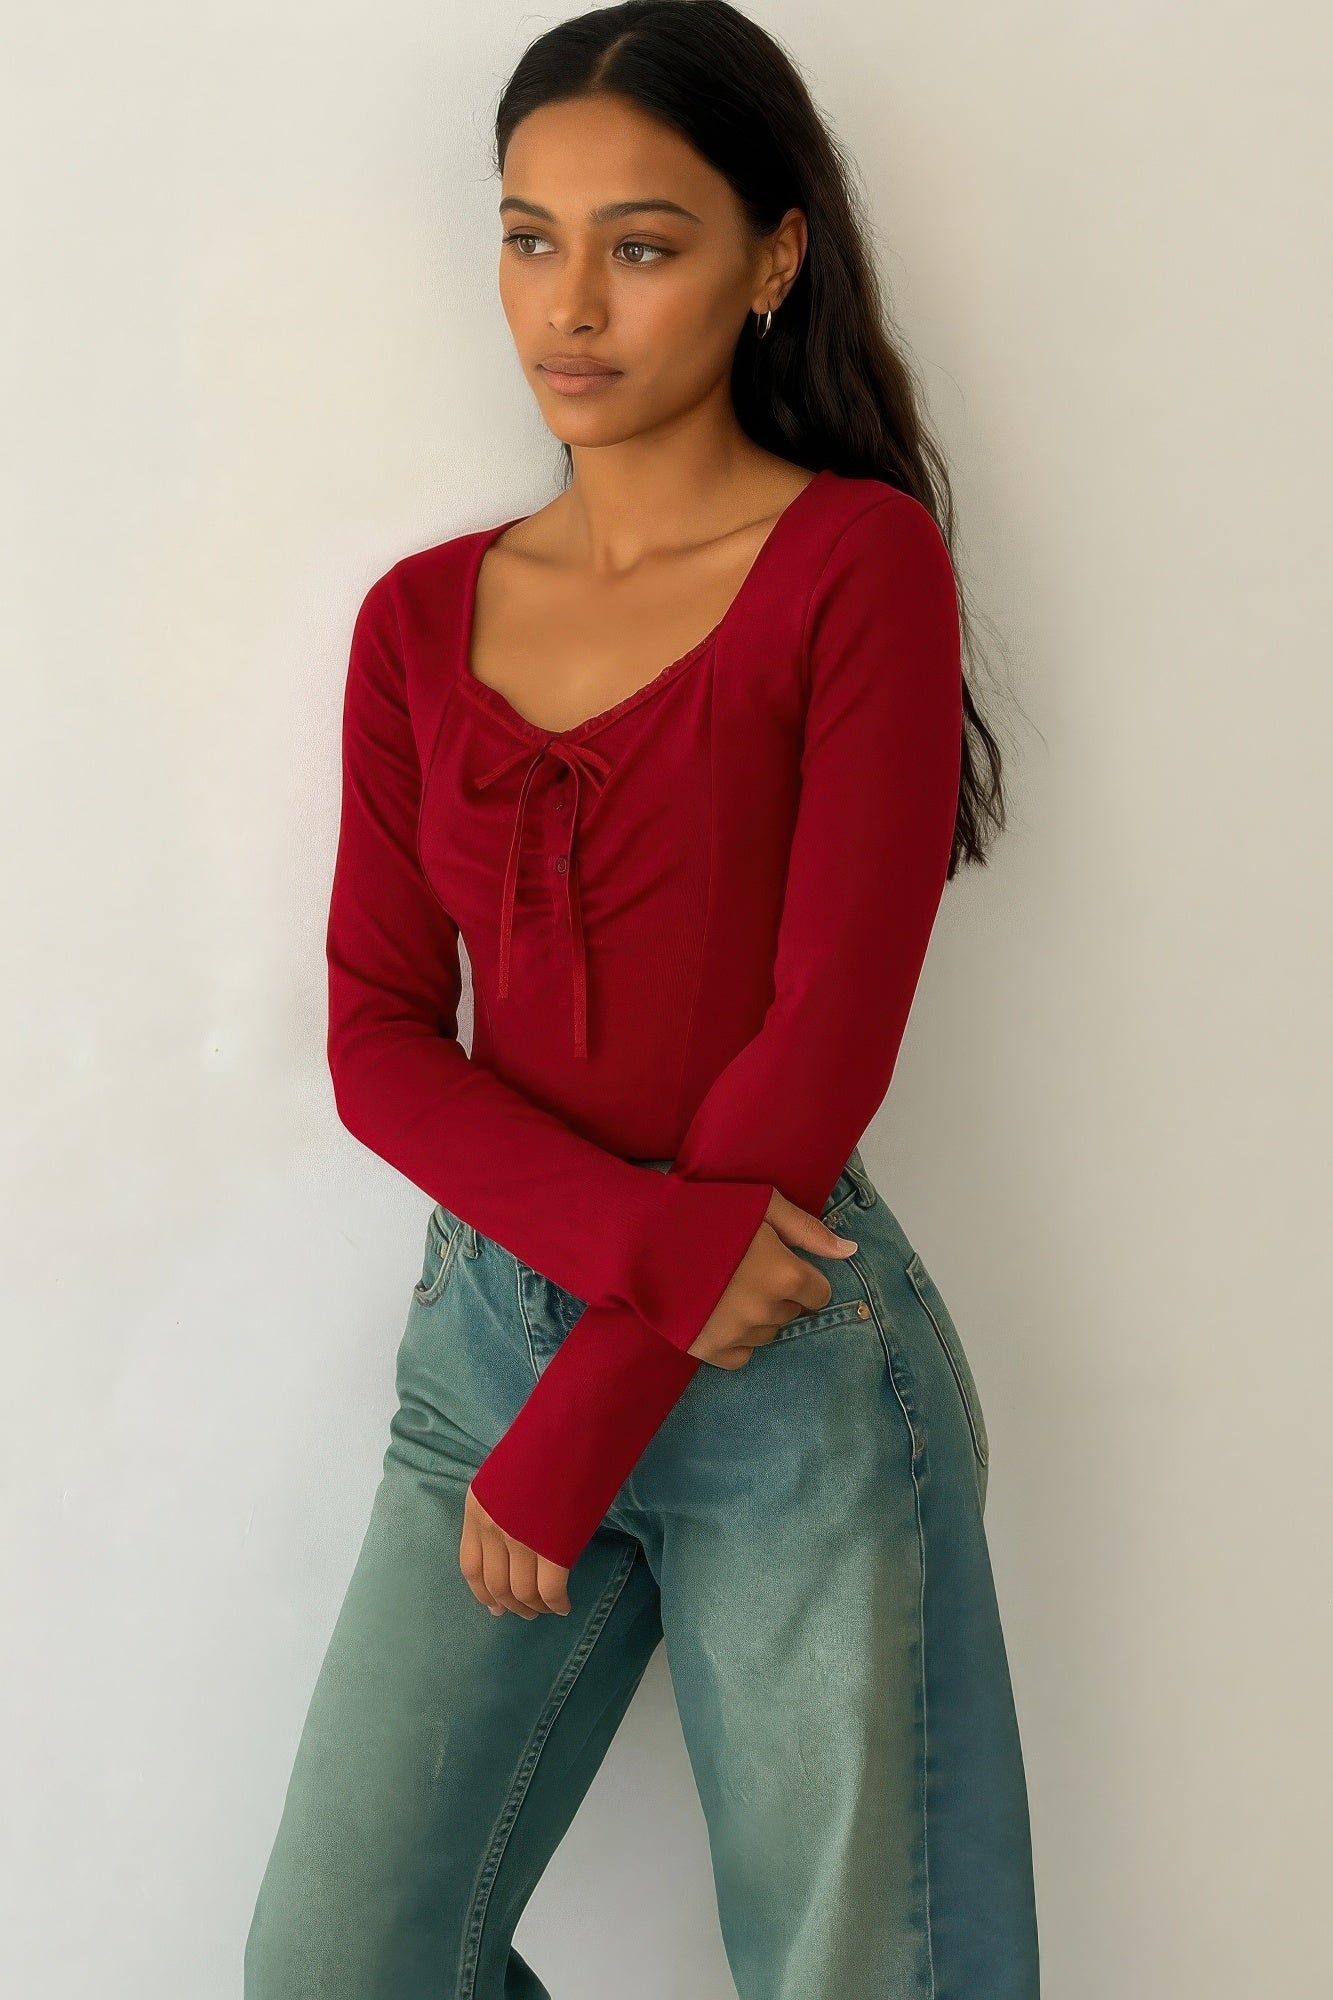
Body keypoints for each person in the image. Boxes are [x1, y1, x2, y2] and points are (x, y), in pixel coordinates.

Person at [245, 3, 1040, 1994]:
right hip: (495, 1350)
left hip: (789, 1357)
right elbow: (374, 1034)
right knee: (335, 1964)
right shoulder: (418, 620)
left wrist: (605, 1393)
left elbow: (829, 1030)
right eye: (530, 238)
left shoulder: (854, 564)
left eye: (643, 244)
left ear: (774, 259)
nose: (570, 305)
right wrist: (613, 1297)